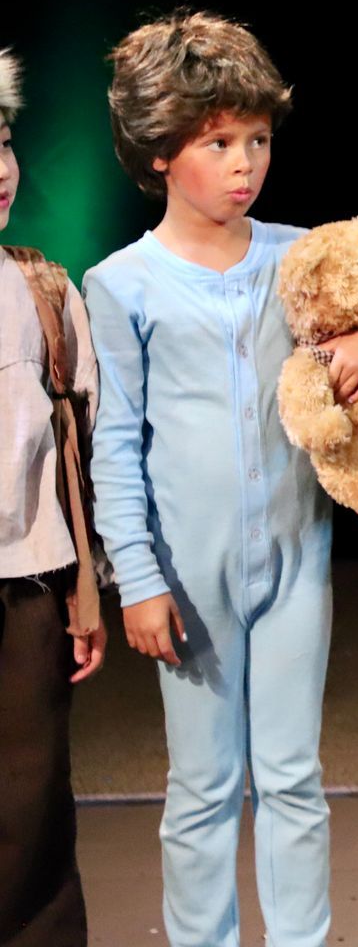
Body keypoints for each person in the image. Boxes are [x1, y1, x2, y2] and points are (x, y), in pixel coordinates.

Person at [84, 13, 358, 947]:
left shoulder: (301, 259)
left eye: (257, 139)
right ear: (155, 155)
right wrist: (136, 578)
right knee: (204, 783)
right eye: (217, 141)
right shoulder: (123, 284)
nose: (244, 162)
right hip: (188, 573)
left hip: (297, 559)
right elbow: (116, 443)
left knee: (295, 774)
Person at [0, 47, 105, 947]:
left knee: (29, 804)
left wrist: (83, 593)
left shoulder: (40, 290)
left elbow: (76, 453)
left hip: (24, 587)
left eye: (0, 140)